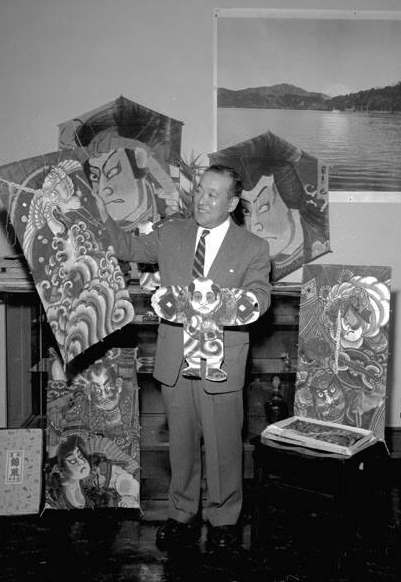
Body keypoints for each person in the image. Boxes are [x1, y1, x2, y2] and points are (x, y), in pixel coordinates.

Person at [94, 164, 272, 551]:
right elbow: (126, 247)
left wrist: (231, 306)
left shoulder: (253, 248)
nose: (202, 199)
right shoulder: (172, 233)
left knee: (225, 448)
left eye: (213, 194)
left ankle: (225, 519)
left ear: (232, 202)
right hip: (176, 362)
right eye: (200, 191)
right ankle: (181, 514)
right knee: (181, 447)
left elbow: (260, 295)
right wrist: (99, 211)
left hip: (221, 364)